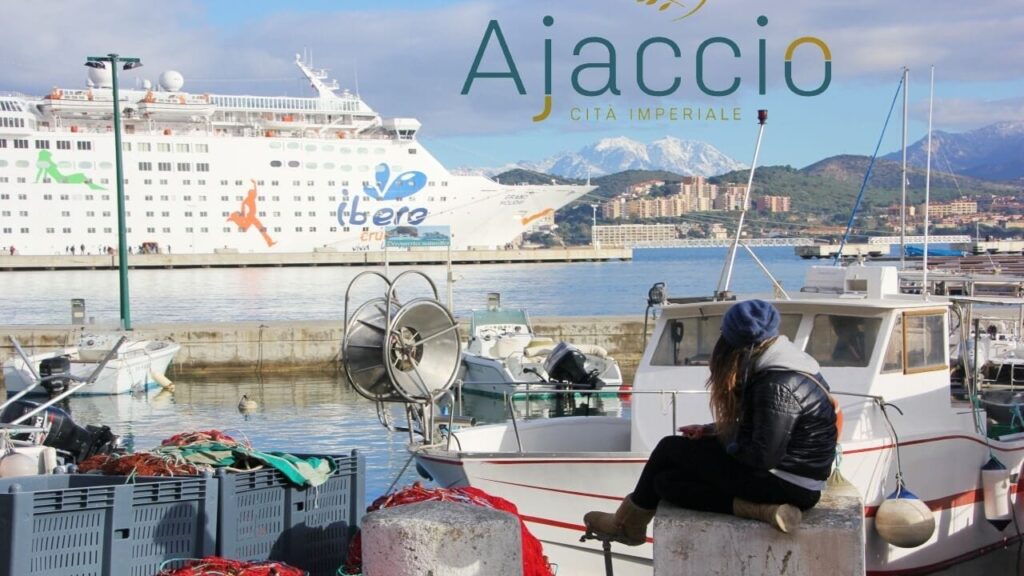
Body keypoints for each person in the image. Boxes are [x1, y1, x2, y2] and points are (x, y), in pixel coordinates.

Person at [582, 299, 838, 545]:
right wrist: (710, 432)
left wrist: (720, 444)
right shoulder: (787, 365)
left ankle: (625, 525)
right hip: (791, 480)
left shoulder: (776, 384)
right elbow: (766, 429)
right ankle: (764, 511)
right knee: (665, 483)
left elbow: (762, 457)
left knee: (670, 448)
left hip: (788, 483)